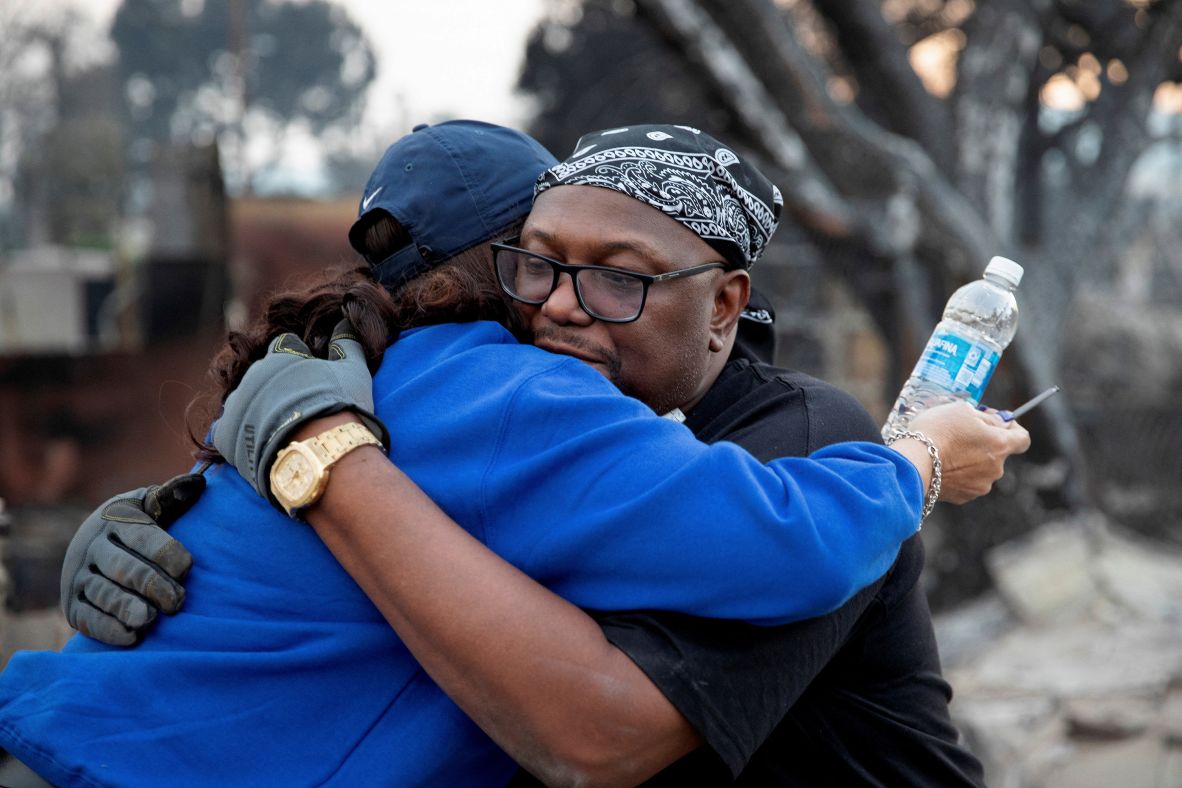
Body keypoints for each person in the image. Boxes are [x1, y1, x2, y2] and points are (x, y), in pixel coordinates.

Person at [35, 122, 1027, 786]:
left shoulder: (788, 437)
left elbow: (601, 730)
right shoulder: (493, 389)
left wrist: (312, 456)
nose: (557, 301)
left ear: (726, 302)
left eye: (615, 273)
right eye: (542, 262)